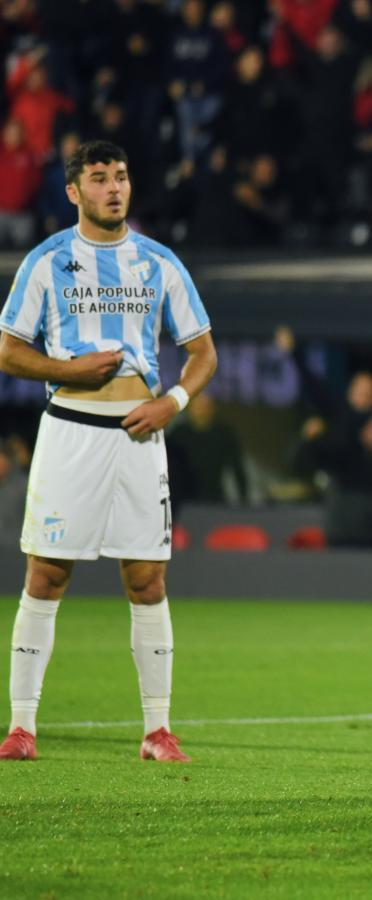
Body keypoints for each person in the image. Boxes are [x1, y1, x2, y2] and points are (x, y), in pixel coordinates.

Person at [0, 140, 217, 763]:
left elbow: (204, 353)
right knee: (46, 574)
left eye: (120, 176)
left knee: (147, 579)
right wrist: (68, 368)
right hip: (69, 431)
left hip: (139, 437)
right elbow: (9, 350)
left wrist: (172, 402)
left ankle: (157, 730)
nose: (114, 188)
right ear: (74, 191)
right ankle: (21, 727)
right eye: (99, 178)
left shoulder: (158, 262)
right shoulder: (47, 262)